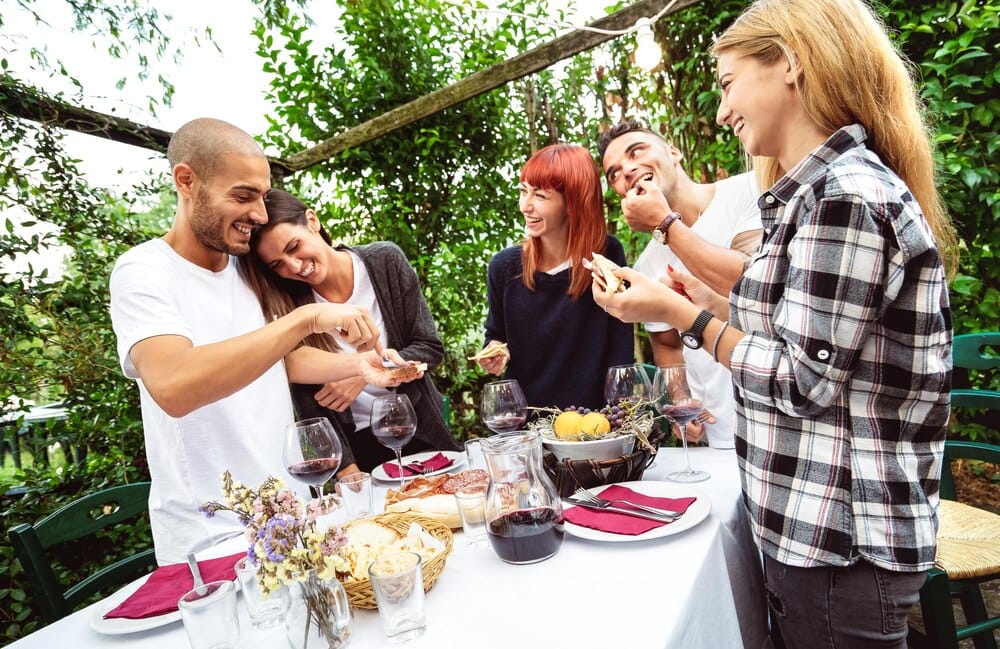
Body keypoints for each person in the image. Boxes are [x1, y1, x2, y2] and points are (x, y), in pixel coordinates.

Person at [592, 1, 956, 646]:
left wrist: (681, 313)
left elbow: (799, 382)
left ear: (788, 63)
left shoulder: (843, 198)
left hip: (836, 539)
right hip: (814, 530)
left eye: (729, 83)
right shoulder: (812, 196)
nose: (723, 110)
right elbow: (793, 330)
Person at [110, 117, 418, 564]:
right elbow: (174, 386)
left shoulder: (246, 269)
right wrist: (307, 318)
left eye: (261, 194)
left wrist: (357, 367)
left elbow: (281, 360)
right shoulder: (143, 272)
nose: (259, 213)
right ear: (186, 181)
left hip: (292, 515)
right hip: (210, 538)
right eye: (243, 195)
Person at [239, 188, 460, 473]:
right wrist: (344, 467)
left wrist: (363, 372)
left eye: (294, 247)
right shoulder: (293, 309)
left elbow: (429, 347)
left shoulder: (385, 262)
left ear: (312, 221)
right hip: (357, 449)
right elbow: (306, 395)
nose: (294, 266)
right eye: (277, 264)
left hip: (419, 428)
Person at [598, 119, 762, 448]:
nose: (627, 171)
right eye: (614, 173)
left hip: (776, 414)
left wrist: (664, 223)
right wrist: (682, 398)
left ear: (674, 153)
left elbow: (754, 288)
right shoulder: (646, 264)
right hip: (718, 434)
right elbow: (668, 344)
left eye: (636, 152)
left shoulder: (751, 190)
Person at [478, 142, 634, 411]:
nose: (526, 206)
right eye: (523, 192)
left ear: (573, 202)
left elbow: (620, 350)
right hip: (525, 428)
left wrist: (619, 417)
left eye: (540, 196)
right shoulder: (503, 267)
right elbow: (496, 335)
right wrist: (494, 352)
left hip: (593, 427)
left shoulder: (606, 256)